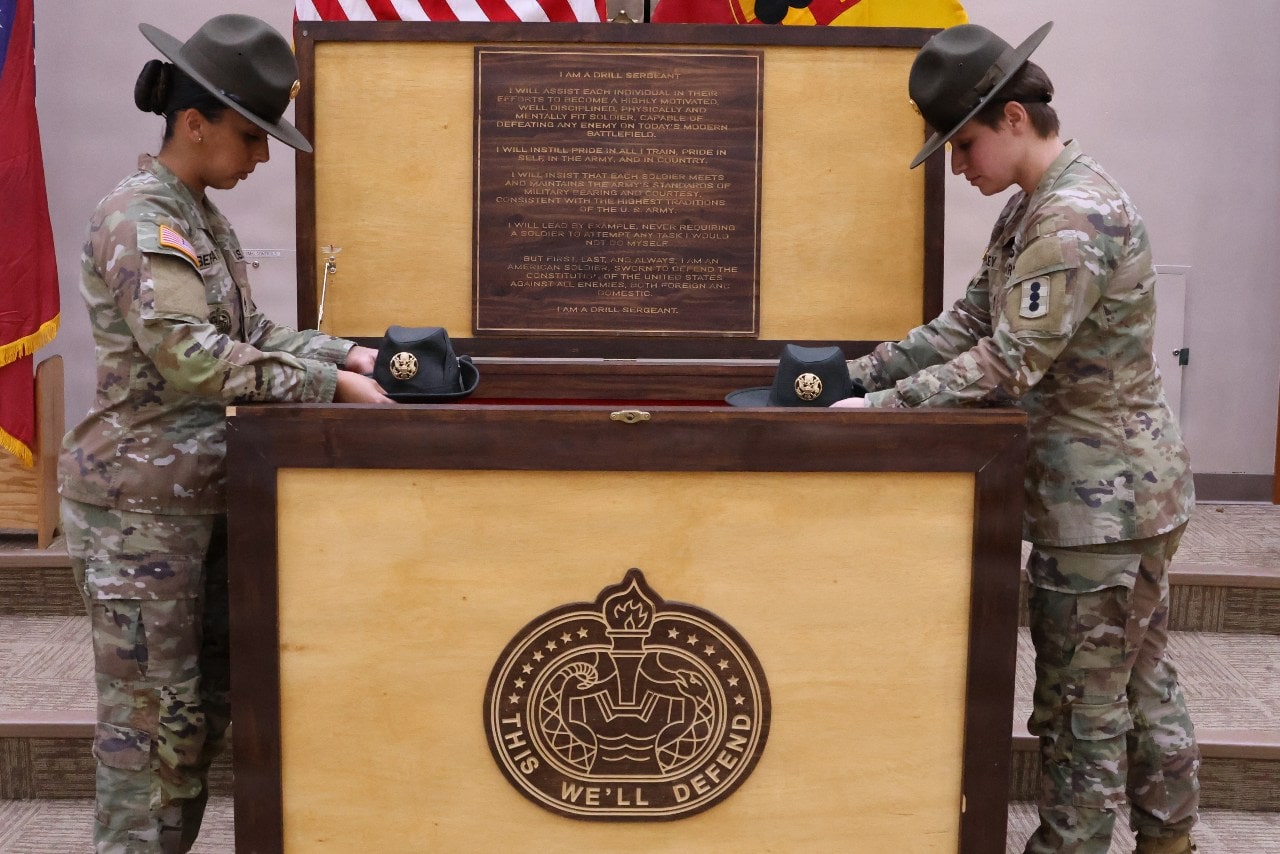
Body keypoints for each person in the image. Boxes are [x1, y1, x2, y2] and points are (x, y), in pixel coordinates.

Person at [832, 21, 1200, 854]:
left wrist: (878, 415)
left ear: (1013, 119)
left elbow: (1006, 361)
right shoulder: (1036, 206)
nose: (959, 170)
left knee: (1083, 705)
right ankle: (1170, 842)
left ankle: (1074, 846)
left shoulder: (1072, 220)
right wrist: (854, 375)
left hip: (1102, 507)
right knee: (1137, 689)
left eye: (962, 147)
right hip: (1112, 497)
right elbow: (967, 323)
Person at [58, 14, 393, 852]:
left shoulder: (198, 215)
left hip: (200, 502)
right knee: (149, 741)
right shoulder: (142, 221)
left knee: (199, 724)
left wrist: (356, 353)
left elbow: (252, 334)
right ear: (195, 122)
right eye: (253, 136)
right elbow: (191, 357)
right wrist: (332, 384)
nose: (263, 157)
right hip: (139, 518)